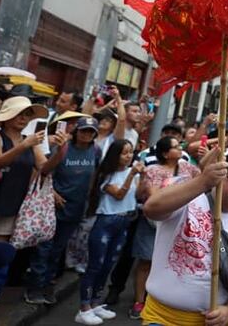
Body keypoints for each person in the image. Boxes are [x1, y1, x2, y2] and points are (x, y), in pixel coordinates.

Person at [141, 148, 228, 326]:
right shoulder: (188, 197)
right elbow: (151, 209)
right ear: (220, 174)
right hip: (163, 318)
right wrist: (202, 182)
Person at [0, 96, 55, 308]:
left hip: (10, 209)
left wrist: (61, 151)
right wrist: (23, 146)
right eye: (19, 113)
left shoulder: (30, 141)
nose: (23, 118)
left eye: (27, 114)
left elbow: (44, 168)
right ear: (7, 116)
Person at [24, 116, 101, 306]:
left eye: (91, 132)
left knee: (57, 249)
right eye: (84, 130)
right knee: (44, 247)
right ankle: (34, 287)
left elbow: (94, 176)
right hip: (53, 205)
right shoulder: (63, 147)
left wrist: (89, 200)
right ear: (76, 131)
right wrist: (53, 193)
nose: (87, 134)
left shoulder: (95, 151)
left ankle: (47, 285)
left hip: (76, 207)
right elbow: (45, 171)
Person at [123, 135, 201, 319]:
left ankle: (162, 300)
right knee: (145, 261)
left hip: (181, 223)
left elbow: (202, 180)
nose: (180, 149)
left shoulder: (188, 167)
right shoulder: (153, 171)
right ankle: (139, 301)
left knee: (173, 263)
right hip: (153, 223)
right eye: (175, 147)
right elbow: (150, 197)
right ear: (165, 153)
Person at [76, 139, 143, 325]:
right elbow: (119, 194)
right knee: (95, 266)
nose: (128, 156)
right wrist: (132, 175)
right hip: (106, 221)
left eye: (130, 152)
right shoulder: (107, 175)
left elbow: (139, 195)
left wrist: (142, 176)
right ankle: (84, 307)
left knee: (108, 265)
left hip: (124, 221)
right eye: (124, 153)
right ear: (115, 155)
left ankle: (96, 303)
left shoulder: (133, 173)